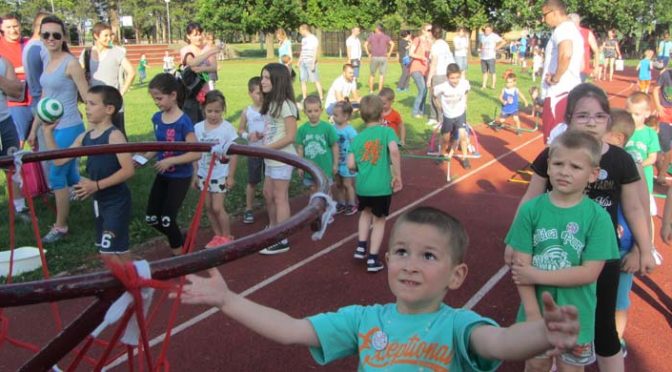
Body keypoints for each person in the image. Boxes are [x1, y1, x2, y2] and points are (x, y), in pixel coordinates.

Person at [176, 206, 582, 371]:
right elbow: (292, 329)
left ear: (456, 276)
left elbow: (501, 344)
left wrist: (542, 333)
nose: (409, 264)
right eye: (401, 251)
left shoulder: (461, 326)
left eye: (428, 256)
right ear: (387, 262)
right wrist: (227, 300)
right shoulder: (363, 320)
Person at [509, 83, 655, 372]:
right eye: (582, 116)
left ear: (608, 120)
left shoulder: (620, 159)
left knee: (602, 331)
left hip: (601, 254)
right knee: (543, 319)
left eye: (599, 116)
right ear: (569, 120)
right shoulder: (552, 154)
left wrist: (644, 248)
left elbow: (635, 207)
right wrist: (512, 242)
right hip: (554, 249)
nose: (591, 122)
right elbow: (530, 197)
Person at [508, 130, 618, 372]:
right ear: (548, 167)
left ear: (593, 174)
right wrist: (533, 314)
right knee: (536, 366)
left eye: (575, 167)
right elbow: (520, 268)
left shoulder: (598, 218)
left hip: (577, 319)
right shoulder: (530, 211)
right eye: (558, 163)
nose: (564, 171)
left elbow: (589, 273)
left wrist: (536, 275)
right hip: (534, 315)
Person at [43, 85, 134, 264]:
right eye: (86, 103)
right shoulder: (85, 136)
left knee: (109, 252)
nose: (87, 107)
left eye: (92, 104)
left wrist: (96, 185)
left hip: (116, 201)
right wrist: (48, 132)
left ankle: (136, 285)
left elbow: (128, 170)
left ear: (109, 109)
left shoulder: (114, 136)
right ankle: (134, 283)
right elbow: (59, 160)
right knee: (115, 250)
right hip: (99, 202)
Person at [26, 16, 89, 244]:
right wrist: (35, 128)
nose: (51, 39)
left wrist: (92, 130)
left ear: (63, 37)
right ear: (41, 36)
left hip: (69, 127)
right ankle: (102, 193)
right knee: (72, 174)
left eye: (56, 34)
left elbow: (87, 95)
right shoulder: (47, 59)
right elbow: (45, 98)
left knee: (57, 175)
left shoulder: (70, 63)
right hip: (50, 126)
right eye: (46, 35)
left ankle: (60, 226)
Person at [136, 73, 200, 256]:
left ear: (173, 95)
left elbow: (196, 152)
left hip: (179, 177)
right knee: (151, 218)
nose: (156, 102)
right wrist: (143, 158)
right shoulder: (157, 118)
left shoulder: (184, 122)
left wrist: (171, 160)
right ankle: (180, 238)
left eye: (159, 98)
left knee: (166, 219)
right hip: (163, 175)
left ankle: (180, 258)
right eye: (154, 99)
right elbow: (159, 145)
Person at [601, 109, 648, 358]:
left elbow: (641, 209)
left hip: (622, 248)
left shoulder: (631, 166)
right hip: (595, 248)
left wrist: (639, 250)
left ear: (617, 138)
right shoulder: (595, 159)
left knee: (619, 302)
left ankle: (617, 340)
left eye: (602, 131)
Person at [348, 95, 402, 272]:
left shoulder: (357, 138)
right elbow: (394, 151)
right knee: (379, 221)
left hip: (363, 186)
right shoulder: (387, 132)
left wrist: (360, 169)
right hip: (381, 187)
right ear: (381, 115)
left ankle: (361, 245)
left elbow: (350, 165)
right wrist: (397, 176)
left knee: (365, 213)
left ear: (362, 116)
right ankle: (372, 258)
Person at [257, 63, 299, 255]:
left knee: (279, 196)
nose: (262, 81)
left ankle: (282, 238)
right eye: (262, 77)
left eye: (266, 78)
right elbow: (273, 129)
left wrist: (267, 148)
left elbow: (290, 136)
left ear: (277, 81)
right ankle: (273, 227)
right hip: (271, 156)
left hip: (282, 157)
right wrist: (259, 137)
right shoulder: (271, 102)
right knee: (267, 193)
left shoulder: (286, 105)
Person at [193, 90, 238, 249]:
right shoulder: (198, 128)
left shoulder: (227, 128)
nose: (213, 115)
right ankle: (217, 235)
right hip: (203, 173)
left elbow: (234, 155)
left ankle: (227, 236)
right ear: (203, 109)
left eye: (217, 111)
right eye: (209, 111)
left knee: (218, 207)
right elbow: (195, 154)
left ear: (223, 110)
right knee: (208, 208)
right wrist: (195, 175)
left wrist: (231, 176)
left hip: (220, 174)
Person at [539, 0, 584, 145]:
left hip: (559, 93)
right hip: (568, 91)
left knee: (554, 141)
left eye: (544, 15)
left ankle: (551, 167)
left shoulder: (562, 29)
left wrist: (556, 78)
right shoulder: (572, 30)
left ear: (554, 12)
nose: (543, 19)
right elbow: (581, 64)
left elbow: (566, 54)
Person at [79, 22, 136, 136]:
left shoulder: (116, 52)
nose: (109, 38)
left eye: (110, 35)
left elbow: (131, 72)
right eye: (105, 35)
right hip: (94, 104)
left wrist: (121, 92)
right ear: (96, 36)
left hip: (112, 103)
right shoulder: (86, 53)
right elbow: (80, 75)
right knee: (95, 136)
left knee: (117, 135)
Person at [295, 95, 338, 193]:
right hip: (309, 169)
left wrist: (335, 164)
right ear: (304, 112)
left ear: (321, 110)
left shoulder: (328, 128)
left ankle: (328, 207)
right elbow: (300, 148)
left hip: (325, 168)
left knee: (327, 190)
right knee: (313, 189)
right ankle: (315, 208)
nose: (313, 114)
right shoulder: (302, 130)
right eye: (309, 111)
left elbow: (334, 145)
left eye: (316, 110)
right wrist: (300, 166)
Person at [433, 63, 472, 171]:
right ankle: (441, 155)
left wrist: (465, 102)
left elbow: (467, 91)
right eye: (452, 78)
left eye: (457, 77)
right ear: (447, 77)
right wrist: (439, 107)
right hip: (448, 115)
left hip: (460, 114)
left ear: (460, 75)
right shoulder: (442, 87)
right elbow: (434, 95)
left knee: (462, 136)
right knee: (445, 138)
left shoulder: (464, 84)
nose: (455, 80)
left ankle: (464, 158)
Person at [180, 22, 220, 124]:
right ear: (188, 36)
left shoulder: (207, 48)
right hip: (191, 92)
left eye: (200, 34)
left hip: (206, 91)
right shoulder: (185, 50)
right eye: (195, 35)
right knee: (191, 122)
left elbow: (214, 67)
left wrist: (200, 69)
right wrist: (210, 52)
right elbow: (192, 62)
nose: (199, 37)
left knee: (207, 121)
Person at [238, 77, 265, 225]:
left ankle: (271, 205)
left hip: (270, 151)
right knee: (252, 181)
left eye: (263, 93)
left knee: (270, 181)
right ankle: (248, 208)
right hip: (254, 151)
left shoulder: (270, 109)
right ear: (250, 93)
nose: (261, 96)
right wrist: (248, 135)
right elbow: (240, 129)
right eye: (257, 93)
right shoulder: (247, 111)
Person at [331, 100, 358, 216]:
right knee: (338, 184)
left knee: (347, 184)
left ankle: (352, 204)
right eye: (333, 114)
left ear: (346, 116)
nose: (333, 117)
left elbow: (355, 145)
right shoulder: (332, 128)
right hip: (337, 162)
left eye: (336, 115)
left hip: (346, 163)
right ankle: (341, 203)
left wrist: (354, 161)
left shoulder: (350, 130)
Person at [427, 24, 455, 126]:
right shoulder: (444, 43)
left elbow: (434, 63)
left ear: (433, 33)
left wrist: (429, 78)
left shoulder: (436, 46)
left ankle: (441, 120)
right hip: (446, 73)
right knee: (433, 96)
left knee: (437, 98)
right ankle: (433, 117)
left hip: (439, 73)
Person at [653, 63, 672, 186]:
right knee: (662, 145)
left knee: (669, 148)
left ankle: (661, 174)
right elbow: (655, 89)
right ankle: (661, 170)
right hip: (665, 112)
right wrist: (658, 106)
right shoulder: (665, 74)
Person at [408, 24, 433, 119]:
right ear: (423, 31)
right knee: (422, 89)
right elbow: (411, 53)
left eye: (431, 30)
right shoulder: (417, 39)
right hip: (416, 68)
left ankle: (421, 111)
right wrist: (421, 57)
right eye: (428, 30)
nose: (430, 32)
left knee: (425, 91)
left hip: (426, 69)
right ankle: (415, 112)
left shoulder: (430, 42)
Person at [364, 24, 394, 93]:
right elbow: (392, 44)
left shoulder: (372, 37)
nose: (374, 29)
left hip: (374, 57)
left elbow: (365, 44)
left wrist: (368, 53)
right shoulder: (386, 37)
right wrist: (389, 53)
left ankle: (371, 90)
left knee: (372, 74)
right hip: (383, 57)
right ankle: (380, 91)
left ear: (377, 29)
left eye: (375, 28)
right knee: (382, 75)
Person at [568, 13, 599, 82]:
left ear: (577, 22)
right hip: (568, 68)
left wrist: (596, 67)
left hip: (582, 69)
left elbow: (596, 50)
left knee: (578, 90)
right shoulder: (566, 33)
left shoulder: (587, 33)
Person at [297, 24, 323, 102]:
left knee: (315, 80)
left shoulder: (313, 38)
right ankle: (304, 98)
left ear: (305, 29)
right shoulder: (303, 39)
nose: (300, 32)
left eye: (300, 30)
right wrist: (299, 61)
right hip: (303, 62)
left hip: (310, 62)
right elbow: (302, 51)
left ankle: (321, 97)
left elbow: (315, 51)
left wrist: (313, 63)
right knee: (303, 80)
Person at [479, 24, 506, 89]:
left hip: (491, 57)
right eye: (486, 29)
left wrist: (497, 47)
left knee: (492, 72)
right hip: (483, 57)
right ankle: (484, 85)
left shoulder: (494, 36)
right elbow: (482, 45)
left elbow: (504, 42)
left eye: (488, 30)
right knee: (484, 72)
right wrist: (481, 50)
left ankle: (493, 86)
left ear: (491, 30)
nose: (487, 31)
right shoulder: (482, 36)